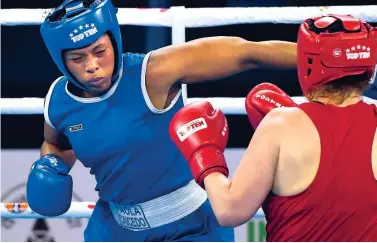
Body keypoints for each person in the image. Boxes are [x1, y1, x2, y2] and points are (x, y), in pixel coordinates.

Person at [25, 0, 306, 241]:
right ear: (61, 61)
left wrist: (318, 55)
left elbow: (246, 54)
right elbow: (57, 143)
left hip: (193, 225)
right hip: (116, 229)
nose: (92, 65)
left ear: (114, 40)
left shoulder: (153, 74)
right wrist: (51, 165)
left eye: (100, 51)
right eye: (77, 58)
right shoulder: (59, 101)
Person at [169, 14, 377, 241]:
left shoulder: (281, 124)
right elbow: (339, 184)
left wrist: (206, 157)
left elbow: (229, 210)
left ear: (307, 61)